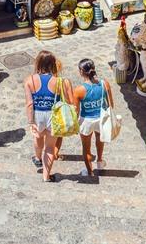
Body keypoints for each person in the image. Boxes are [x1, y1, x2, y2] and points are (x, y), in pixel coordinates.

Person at [24, 50, 73, 182]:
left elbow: (29, 104)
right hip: (53, 115)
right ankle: (46, 176)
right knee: (50, 147)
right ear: (53, 64)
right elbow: (69, 102)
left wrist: (31, 121)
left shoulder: (30, 80)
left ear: (38, 63)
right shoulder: (59, 82)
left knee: (38, 137)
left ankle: (38, 157)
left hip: (38, 114)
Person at [73, 58, 114, 177]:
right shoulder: (104, 84)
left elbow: (76, 111)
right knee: (100, 141)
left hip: (86, 121)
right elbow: (111, 104)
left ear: (81, 71)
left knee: (86, 148)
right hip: (101, 119)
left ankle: (89, 171)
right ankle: (100, 162)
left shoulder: (79, 90)